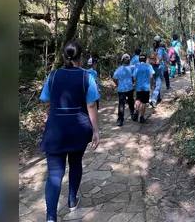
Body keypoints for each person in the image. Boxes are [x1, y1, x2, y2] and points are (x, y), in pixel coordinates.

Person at [38, 41, 100, 222]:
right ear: (80, 58)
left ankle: (51, 217)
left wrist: (53, 119)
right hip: (78, 130)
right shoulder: (86, 77)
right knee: (75, 163)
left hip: (55, 131)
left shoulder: (53, 76)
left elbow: (47, 103)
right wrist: (96, 131)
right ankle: (72, 200)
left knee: (54, 174)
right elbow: (91, 105)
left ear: (64, 56)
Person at [112, 54, 135, 126]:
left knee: (121, 104)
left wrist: (117, 84)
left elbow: (114, 78)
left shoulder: (118, 69)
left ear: (122, 60)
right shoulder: (131, 68)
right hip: (130, 87)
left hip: (121, 89)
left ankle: (120, 119)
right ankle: (133, 114)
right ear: (129, 61)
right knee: (131, 100)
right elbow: (134, 76)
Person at [131, 54, 155, 123]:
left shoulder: (137, 67)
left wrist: (135, 83)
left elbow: (134, 78)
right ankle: (141, 117)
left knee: (138, 100)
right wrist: (152, 84)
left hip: (138, 87)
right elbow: (151, 77)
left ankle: (136, 111)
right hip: (146, 87)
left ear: (139, 60)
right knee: (144, 102)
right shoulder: (149, 66)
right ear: (145, 60)